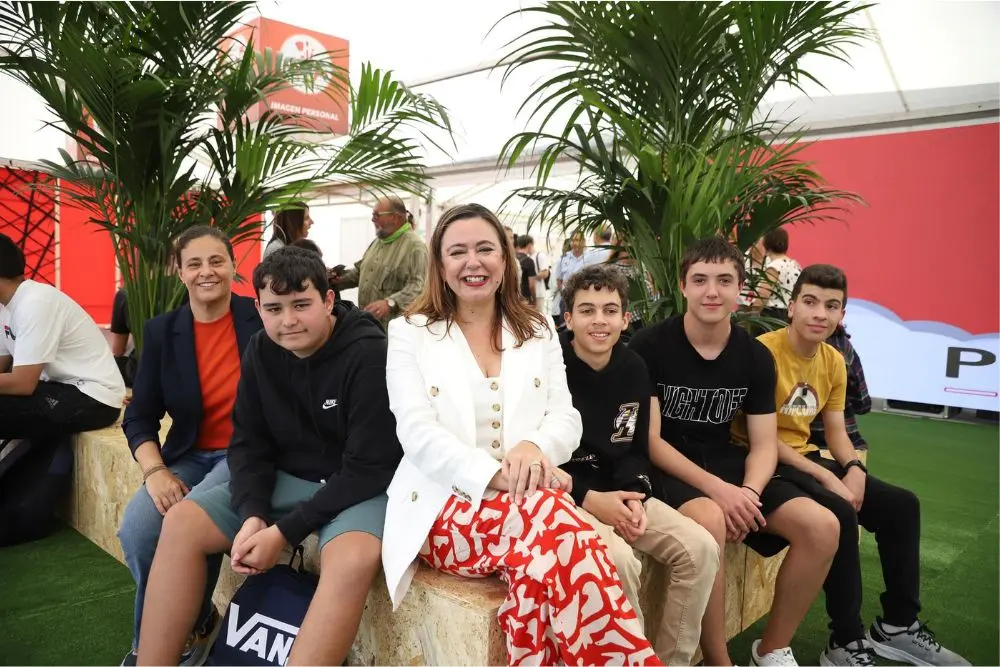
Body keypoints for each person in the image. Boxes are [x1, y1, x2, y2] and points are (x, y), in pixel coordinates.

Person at [382, 203, 659, 666]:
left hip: (531, 501)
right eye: (459, 252)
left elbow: (566, 419)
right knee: (560, 524)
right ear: (440, 264)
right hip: (445, 505)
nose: (474, 262)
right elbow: (417, 434)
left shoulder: (537, 327)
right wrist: (500, 477)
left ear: (506, 259)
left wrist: (533, 447)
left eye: (486, 248)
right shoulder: (410, 332)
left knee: (539, 565)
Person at [137, 247, 402, 666]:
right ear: (257, 308)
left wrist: (283, 533)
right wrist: (253, 514)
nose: (288, 320)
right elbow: (248, 443)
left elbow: (369, 467)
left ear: (328, 300)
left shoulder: (368, 352)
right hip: (286, 477)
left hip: (355, 486)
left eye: (301, 305)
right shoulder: (262, 348)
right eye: (274, 308)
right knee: (183, 521)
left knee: (353, 560)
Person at [629, 237, 841, 667]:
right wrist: (720, 493)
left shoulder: (754, 356)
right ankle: (718, 658)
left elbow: (763, 445)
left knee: (823, 527)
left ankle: (772, 648)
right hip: (667, 462)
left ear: (740, 289)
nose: (712, 291)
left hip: (728, 462)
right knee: (709, 518)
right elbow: (651, 440)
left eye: (724, 280)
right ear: (683, 285)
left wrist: (747, 491)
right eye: (700, 280)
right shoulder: (649, 347)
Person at [753, 265, 968, 667]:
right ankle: (844, 640)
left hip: (807, 455)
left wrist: (853, 468)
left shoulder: (834, 360)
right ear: (791, 307)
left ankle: (898, 626)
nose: (820, 313)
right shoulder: (763, 353)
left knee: (902, 506)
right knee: (840, 509)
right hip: (763, 460)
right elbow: (762, 439)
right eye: (811, 302)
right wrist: (827, 477)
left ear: (841, 316)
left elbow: (835, 431)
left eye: (831, 306)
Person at [117, 225, 264, 666]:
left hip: (246, 452)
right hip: (189, 454)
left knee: (186, 521)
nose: (207, 272)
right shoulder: (162, 332)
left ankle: (154, 651)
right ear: (178, 271)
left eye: (217, 261)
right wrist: (155, 470)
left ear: (234, 266)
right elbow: (139, 416)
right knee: (139, 529)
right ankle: (198, 623)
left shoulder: (261, 317)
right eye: (194, 263)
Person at [559, 264, 719, 665]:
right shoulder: (550, 369)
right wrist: (592, 499)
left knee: (700, 548)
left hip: (624, 490)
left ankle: (670, 660)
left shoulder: (632, 367)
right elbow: (542, 460)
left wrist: (634, 496)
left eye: (610, 310)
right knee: (618, 562)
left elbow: (635, 447)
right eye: (587, 310)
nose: (600, 320)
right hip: (569, 496)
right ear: (568, 318)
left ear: (624, 318)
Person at [0, 233, 124, 438]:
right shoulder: (5, 308)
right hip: (57, 388)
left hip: (93, 398)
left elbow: (22, 383)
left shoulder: (35, 302)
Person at [331, 195, 427, 327]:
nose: (372, 219)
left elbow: (419, 287)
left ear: (395, 217)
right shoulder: (377, 242)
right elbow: (360, 273)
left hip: (392, 333)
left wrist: (390, 303)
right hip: (369, 327)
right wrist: (336, 279)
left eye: (377, 215)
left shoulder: (415, 246)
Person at [810, 324, 870, 452]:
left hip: (798, 442)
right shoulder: (840, 344)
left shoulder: (776, 342)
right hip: (843, 441)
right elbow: (863, 404)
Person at [755, 228, 801, 320]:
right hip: (789, 313)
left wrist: (753, 313)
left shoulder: (774, 267)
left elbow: (763, 295)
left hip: (772, 315)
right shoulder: (795, 265)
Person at [515, 234, 537, 307]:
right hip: (524, 298)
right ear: (529, 245)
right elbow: (532, 285)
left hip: (512, 297)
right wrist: (534, 299)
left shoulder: (512, 258)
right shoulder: (529, 261)